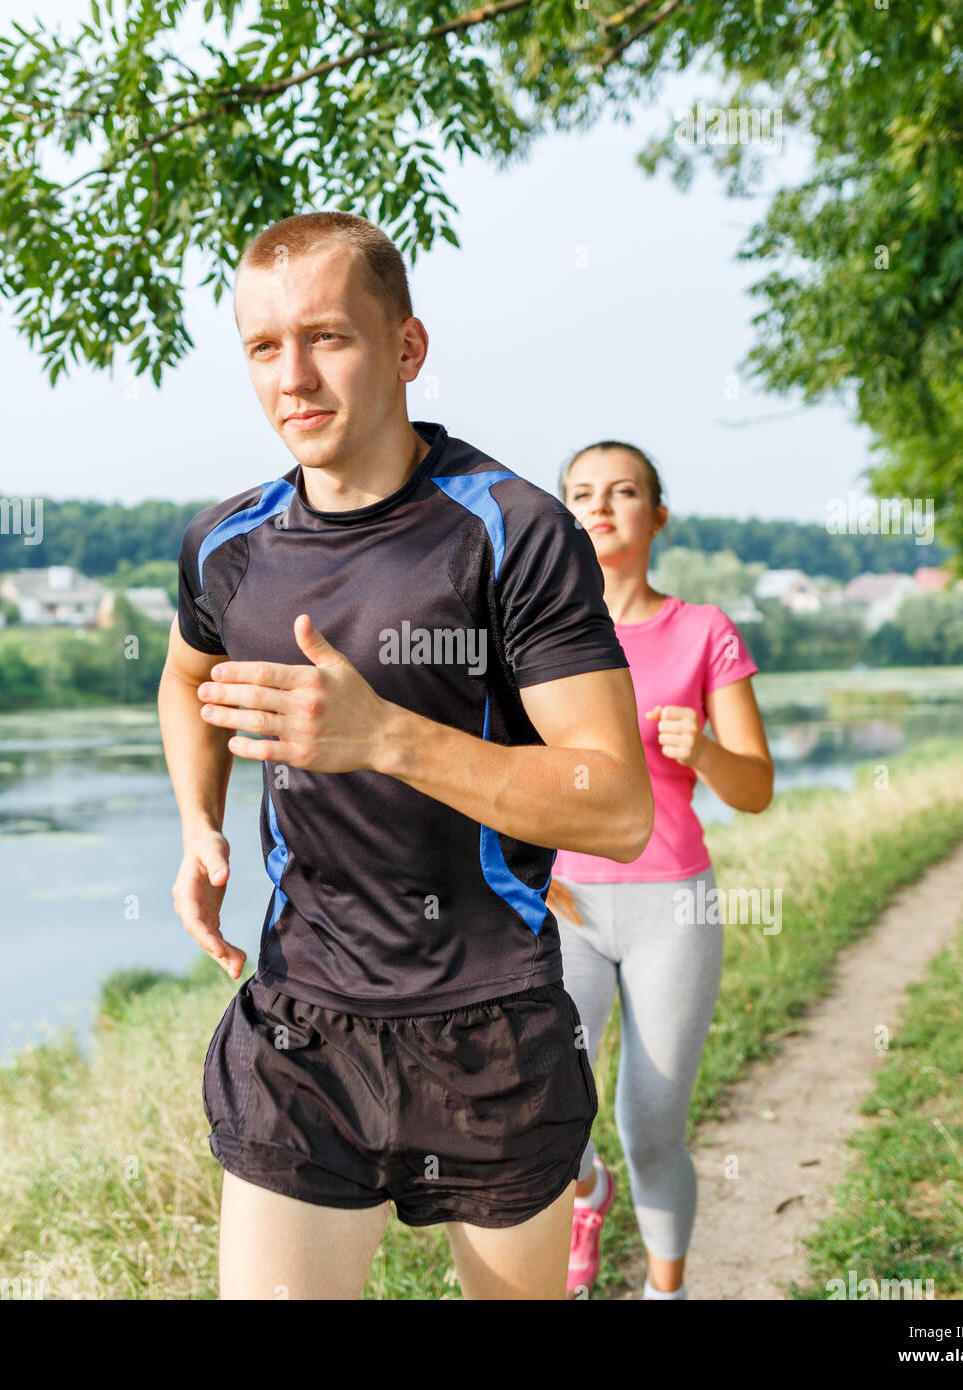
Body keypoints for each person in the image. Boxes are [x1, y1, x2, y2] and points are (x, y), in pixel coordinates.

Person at [157, 210, 654, 1300]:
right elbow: (189, 677)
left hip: (489, 1028)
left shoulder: (512, 530)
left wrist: (382, 733)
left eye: (328, 336)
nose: (295, 375)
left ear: (405, 348)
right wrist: (197, 824)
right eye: (262, 346)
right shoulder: (226, 544)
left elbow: (616, 804)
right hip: (302, 1024)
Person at [548, 442, 774, 1300]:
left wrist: (707, 751)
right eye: (581, 494)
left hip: (670, 904)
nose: (601, 506)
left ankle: (667, 1292)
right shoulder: (539, 632)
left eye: (624, 491)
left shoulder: (703, 631)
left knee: (651, 1125)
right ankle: (587, 1194)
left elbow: (754, 789)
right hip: (563, 902)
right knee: (547, 1108)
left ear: (657, 515)